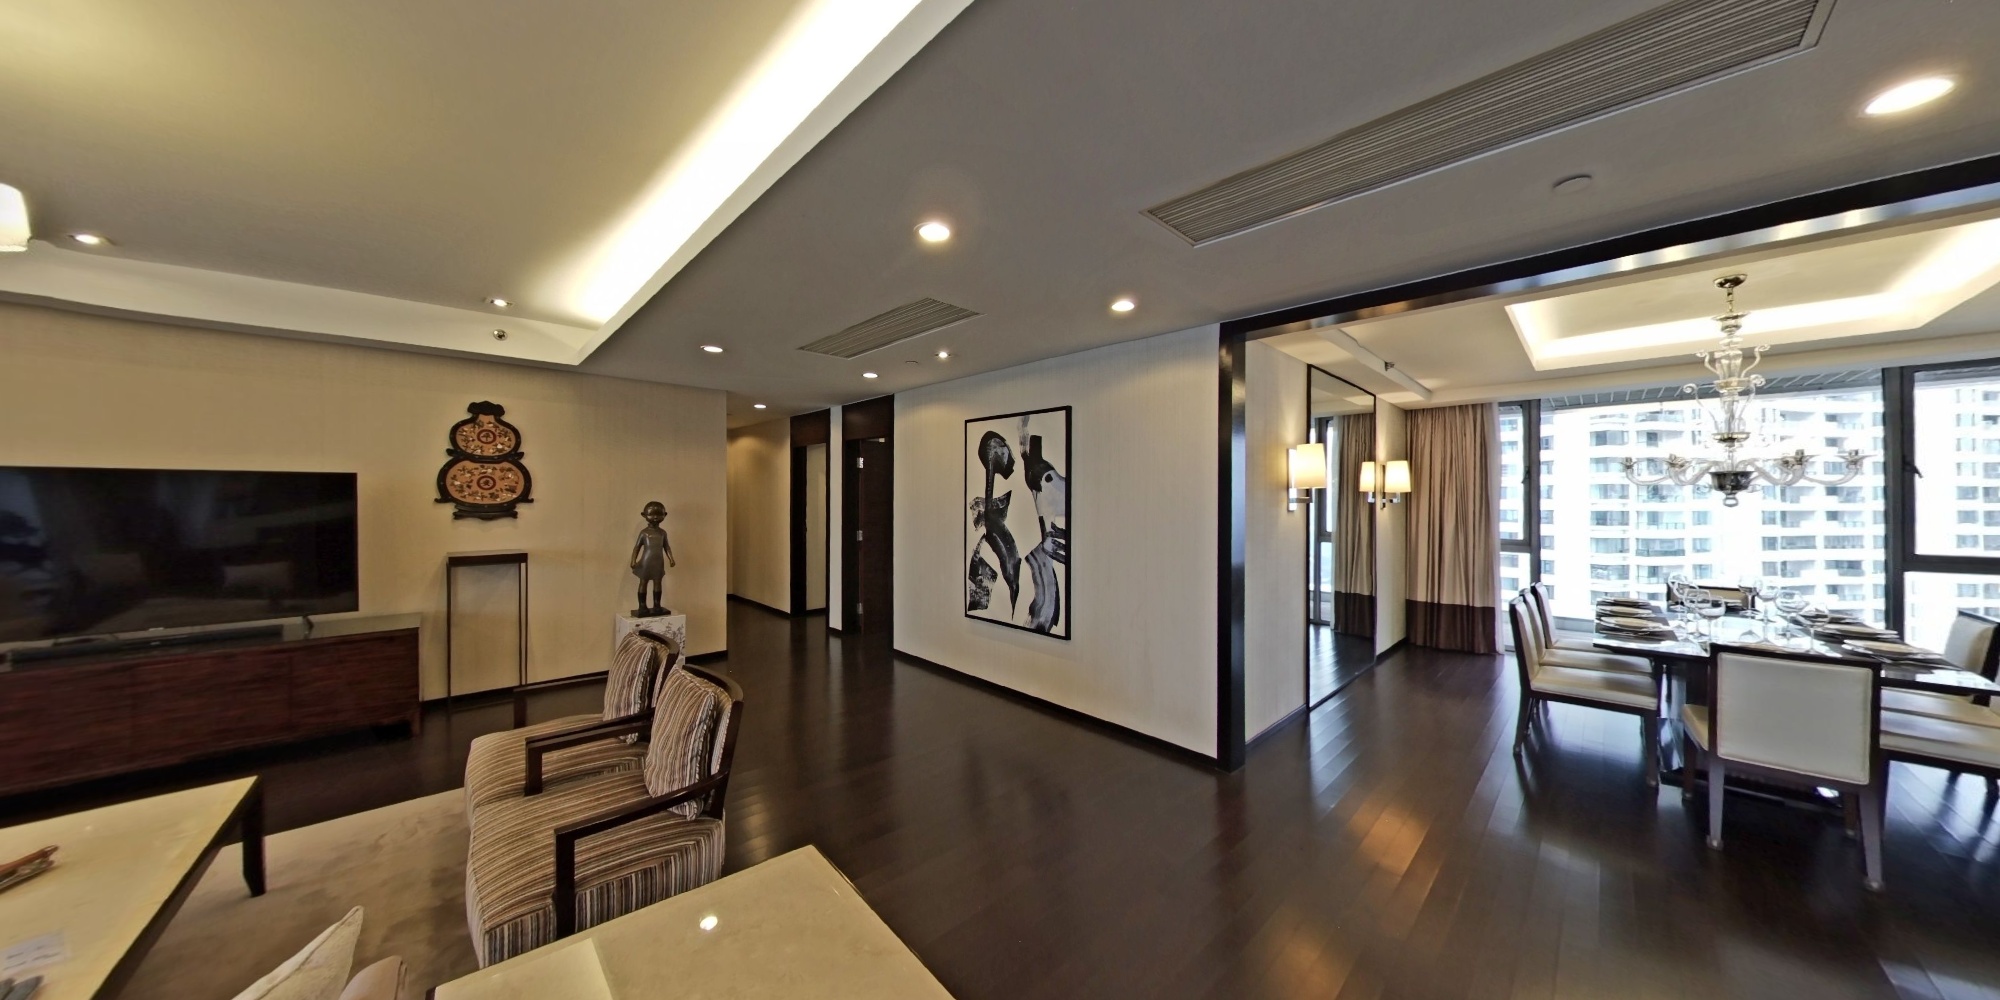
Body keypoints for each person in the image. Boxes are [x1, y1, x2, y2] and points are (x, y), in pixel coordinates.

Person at [630, 501, 675, 616]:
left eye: (659, 514)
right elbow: (637, 547)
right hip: (646, 562)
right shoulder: (644, 533)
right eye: (651, 514)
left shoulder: (662, 533)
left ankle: (657, 605)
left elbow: (667, 547)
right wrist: (633, 560)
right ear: (644, 515)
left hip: (658, 562)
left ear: (665, 515)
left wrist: (671, 558)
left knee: (658, 581)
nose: (655, 517)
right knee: (643, 581)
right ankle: (642, 605)